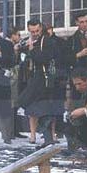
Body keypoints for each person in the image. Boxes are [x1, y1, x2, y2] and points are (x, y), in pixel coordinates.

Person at [17, 20, 56, 149]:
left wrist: (32, 50)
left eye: (37, 31)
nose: (34, 34)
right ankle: (47, 137)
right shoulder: (30, 41)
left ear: (41, 29)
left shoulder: (47, 41)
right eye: (32, 31)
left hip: (44, 79)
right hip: (31, 78)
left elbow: (44, 58)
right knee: (35, 107)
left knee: (31, 103)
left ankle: (49, 137)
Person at [8, 27, 28, 139]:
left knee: (15, 105)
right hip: (11, 78)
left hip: (17, 77)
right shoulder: (8, 46)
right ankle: (11, 130)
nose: (19, 38)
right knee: (11, 104)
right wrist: (15, 51)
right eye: (18, 35)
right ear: (13, 35)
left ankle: (15, 130)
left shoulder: (18, 47)